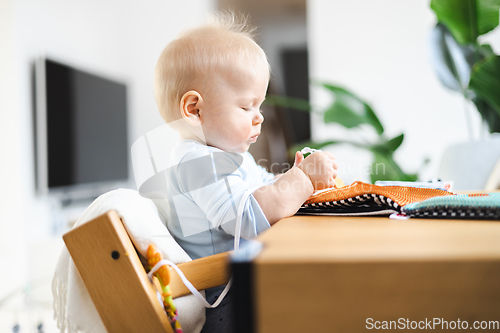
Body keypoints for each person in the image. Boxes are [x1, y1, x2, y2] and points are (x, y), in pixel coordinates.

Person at [153, 11, 338, 332]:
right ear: (194, 110)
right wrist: (303, 180)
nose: (259, 117)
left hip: (239, 283)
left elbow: (262, 186)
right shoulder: (198, 163)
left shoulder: (226, 157)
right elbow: (247, 217)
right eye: (246, 106)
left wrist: (290, 180)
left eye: (260, 105)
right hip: (226, 299)